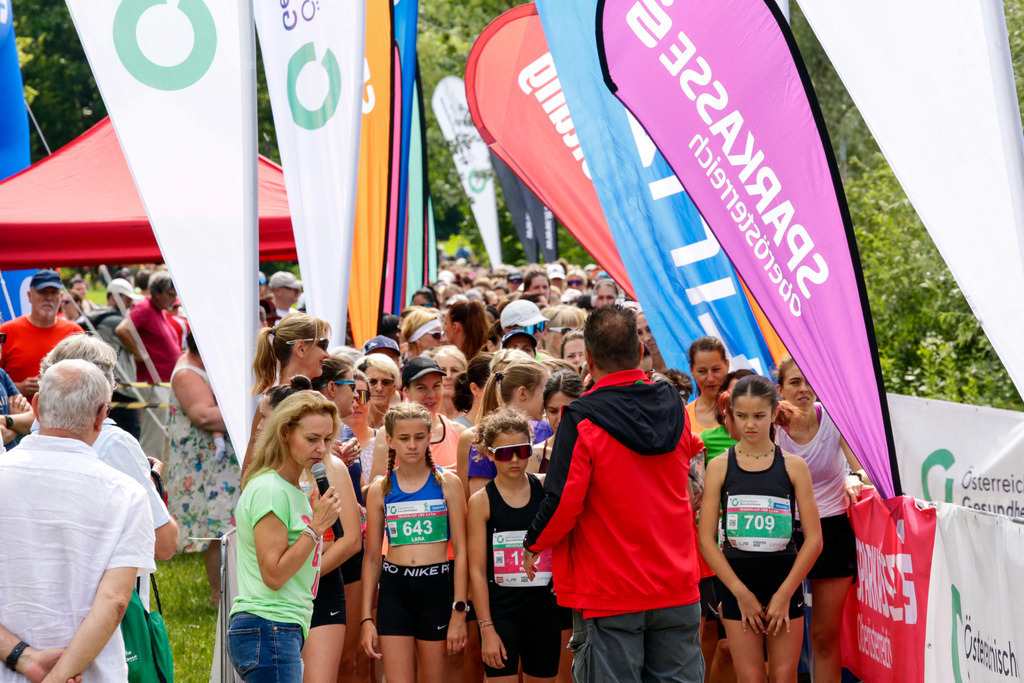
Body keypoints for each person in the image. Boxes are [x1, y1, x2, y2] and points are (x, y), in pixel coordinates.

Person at [524, 304, 707, 682]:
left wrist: (533, 543)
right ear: (640, 351)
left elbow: (563, 502)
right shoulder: (673, 403)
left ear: (589, 360)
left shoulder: (581, 418)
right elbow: (696, 466)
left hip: (609, 592)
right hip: (675, 583)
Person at [0, 359, 155, 681]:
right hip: (91, 672)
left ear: (36, 406)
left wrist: (21, 656)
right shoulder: (125, 493)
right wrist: (58, 676)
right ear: (101, 416)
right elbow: (114, 601)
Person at [698, 375, 822, 683]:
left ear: (773, 413)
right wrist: (739, 592)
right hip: (737, 582)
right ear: (731, 414)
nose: (750, 424)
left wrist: (785, 593)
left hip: (784, 579)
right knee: (750, 677)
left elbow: (814, 539)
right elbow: (706, 540)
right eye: (741, 416)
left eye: (758, 416)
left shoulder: (794, 466)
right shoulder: (719, 466)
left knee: (783, 676)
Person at [227, 390, 346, 681]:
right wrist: (316, 527)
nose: (321, 448)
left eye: (327, 439)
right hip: (270, 625)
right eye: (312, 439)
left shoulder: (292, 490)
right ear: (284, 434)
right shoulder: (271, 489)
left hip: (279, 627)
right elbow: (274, 574)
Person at [40, 336, 179, 564]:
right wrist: (151, 485)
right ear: (104, 393)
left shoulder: (31, 437)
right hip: (103, 577)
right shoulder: (115, 442)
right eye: (113, 384)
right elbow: (164, 544)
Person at [774, 357, 870, 683]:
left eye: (809, 381)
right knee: (781, 636)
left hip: (831, 529)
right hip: (784, 533)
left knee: (825, 637)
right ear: (780, 389)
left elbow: (863, 469)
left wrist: (853, 477)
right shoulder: (772, 424)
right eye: (794, 382)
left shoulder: (833, 417)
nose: (803, 389)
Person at [360, 403, 469, 683]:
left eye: (419, 437)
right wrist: (366, 618)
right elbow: (372, 557)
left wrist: (459, 611)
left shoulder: (448, 483)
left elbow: (462, 551)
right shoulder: (380, 489)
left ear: (429, 437)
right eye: (404, 438)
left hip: (435, 588)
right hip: (394, 590)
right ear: (390, 440)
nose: (412, 445)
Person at [467, 408, 560, 683]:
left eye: (522, 450)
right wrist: (486, 627)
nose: (516, 459)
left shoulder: (546, 488)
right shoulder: (481, 501)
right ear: (490, 454)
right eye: (505, 453)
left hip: (543, 609)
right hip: (501, 612)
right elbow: (477, 570)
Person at [168, 331, 241, 607]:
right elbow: (204, 415)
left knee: (229, 527)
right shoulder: (187, 372)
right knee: (221, 531)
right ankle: (218, 597)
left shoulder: (208, 366)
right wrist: (251, 411)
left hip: (219, 465)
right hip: (205, 467)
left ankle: (229, 594)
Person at [462, 357, 549, 497]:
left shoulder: (547, 430)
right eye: (545, 392)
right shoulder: (486, 436)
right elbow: (481, 498)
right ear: (523, 393)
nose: (549, 399)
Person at [116, 270, 180, 461]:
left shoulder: (159, 311)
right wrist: (139, 354)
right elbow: (122, 329)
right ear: (156, 293)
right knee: (154, 439)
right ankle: (151, 475)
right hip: (153, 383)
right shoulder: (145, 308)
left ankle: (160, 476)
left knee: (163, 438)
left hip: (164, 383)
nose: (174, 298)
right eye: (170, 294)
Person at [0, 269, 83, 397]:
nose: (48, 298)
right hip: (19, 409)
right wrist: (18, 388)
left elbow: (87, 379)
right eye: (42, 292)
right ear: (29, 296)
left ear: (61, 297)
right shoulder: (6, 332)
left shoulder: (74, 333)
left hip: (64, 409)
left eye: (53, 292)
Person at [81, 277, 143, 438]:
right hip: (121, 386)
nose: (129, 305)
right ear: (116, 297)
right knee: (130, 434)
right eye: (127, 300)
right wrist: (140, 354)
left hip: (95, 385)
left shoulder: (90, 317)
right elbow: (137, 347)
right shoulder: (117, 322)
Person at [529, 370, 584, 475]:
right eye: (553, 411)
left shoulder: (598, 451)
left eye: (567, 411)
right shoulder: (535, 456)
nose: (560, 419)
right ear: (545, 409)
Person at [686, 336, 730, 434]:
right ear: (692, 371)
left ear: (727, 365)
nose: (710, 379)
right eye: (702, 371)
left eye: (716, 369)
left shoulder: (745, 409)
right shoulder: (684, 417)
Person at [355, 354, 401, 430]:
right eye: (372, 381)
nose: (379, 388)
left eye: (386, 382)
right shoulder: (348, 421)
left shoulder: (401, 423)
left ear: (394, 388)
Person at [428, 346, 469, 422]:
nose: (448, 376)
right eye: (442, 371)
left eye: (455, 370)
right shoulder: (424, 417)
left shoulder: (475, 414)